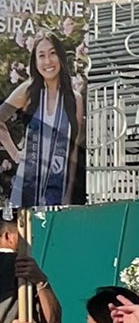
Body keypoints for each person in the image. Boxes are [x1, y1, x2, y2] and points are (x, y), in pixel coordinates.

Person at [0, 34, 85, 208]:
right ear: (35, 61)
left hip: (58, 191)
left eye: (52, 53)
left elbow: (73, 151)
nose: (48, 61)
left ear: (61, 57)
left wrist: (68, 194)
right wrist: (16, 155)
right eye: (41, 55)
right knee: (25, 235)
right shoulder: (28, 91)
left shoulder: (74, 99)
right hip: (26, 189)